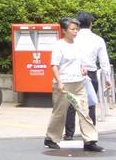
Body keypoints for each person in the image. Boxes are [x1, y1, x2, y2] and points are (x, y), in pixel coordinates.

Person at [44, 17, 103, 151]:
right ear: (64, 30)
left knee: (84, 111)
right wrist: (59, 82)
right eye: (72, 29)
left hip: (79, 83)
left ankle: (90, 141)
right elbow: (54, 65)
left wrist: (83, 67)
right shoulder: (59, 46)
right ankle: (51, 138)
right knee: (60, 113)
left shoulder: (77, 44)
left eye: (77, 29)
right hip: (64, 85)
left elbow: (79, 60)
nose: (75, 31)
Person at [64, 11, 111, 140]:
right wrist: (108, 79)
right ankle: (90, 133)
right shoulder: (98, 40)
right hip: (91, 74)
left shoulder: (72, 39)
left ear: (78, 24)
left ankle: (69, 133)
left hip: (73, 74)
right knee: (90, 104)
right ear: (91, 24)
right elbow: (104, 61)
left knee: (71, 103)